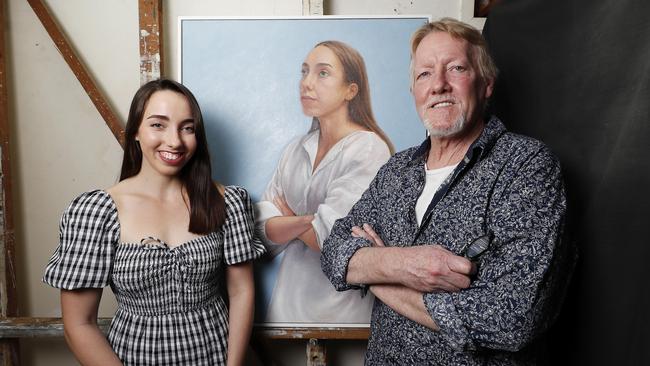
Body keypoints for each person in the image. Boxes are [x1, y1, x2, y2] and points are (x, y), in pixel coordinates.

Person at [321, 18, 574, 364]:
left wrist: (375, 276)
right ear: (414, 92)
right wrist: (405, 265)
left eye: (455, 68)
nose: (438, 85)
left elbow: (513, 317)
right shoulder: (397, 171)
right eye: (424, 74)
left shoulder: (526, 166)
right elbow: (334, 249)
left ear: (485, 84)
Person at [43, 79, 265, 365]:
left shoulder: (228, 202)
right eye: (158, 125)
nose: (175, 140)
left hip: (217, 354)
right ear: (135, 130)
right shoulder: (96, 212)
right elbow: (79, 324)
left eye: (187, 127)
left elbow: (241, 290)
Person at [255, 40, 394, 323]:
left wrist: (290, 218)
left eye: (322, 73)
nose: (306, 83)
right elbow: (259, 235)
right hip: (286, 313)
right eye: (304, 71)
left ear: (350, 90)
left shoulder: (368, 148)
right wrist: (312, 221)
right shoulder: (295, 149)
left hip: (345, 318)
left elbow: (335, 240)